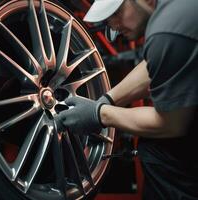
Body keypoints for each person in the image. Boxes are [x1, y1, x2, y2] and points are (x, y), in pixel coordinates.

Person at [55, 0, 198, 199]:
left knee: (157, 151)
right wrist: (106, 100)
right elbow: (156, 63)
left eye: (116, 12)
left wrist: (100, 114)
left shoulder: (165, 30)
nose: (113, 25)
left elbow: (172, 124)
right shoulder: (174, 11)